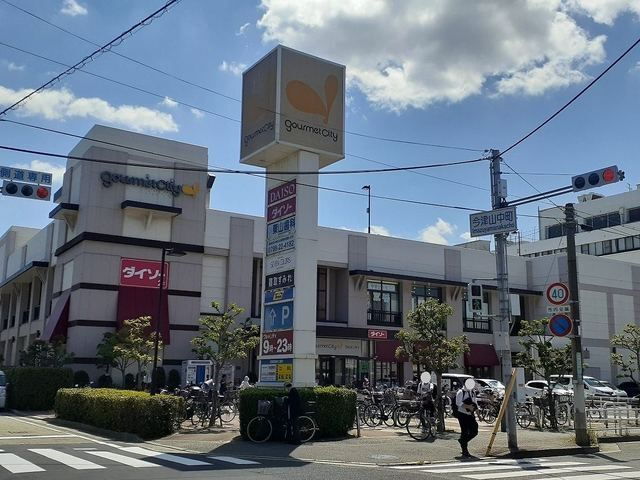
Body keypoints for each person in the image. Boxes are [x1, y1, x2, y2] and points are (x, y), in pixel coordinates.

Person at [455, 380, 479, 458]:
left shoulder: (472, 392)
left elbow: (475, 404)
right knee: (464, 432)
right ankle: (465, 451)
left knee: (474, 431)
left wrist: (479, 415)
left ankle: (462, 441)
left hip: (470, 414)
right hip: (462, 414)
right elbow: (458, 403)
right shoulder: (460, 392)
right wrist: (468, 406)